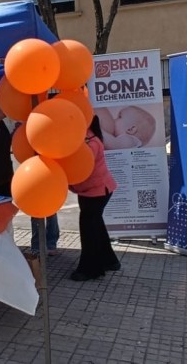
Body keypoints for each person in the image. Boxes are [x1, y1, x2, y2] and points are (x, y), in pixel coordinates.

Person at [69, 115, 121, 281]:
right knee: (95, 226)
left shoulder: (90, 142)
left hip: (97, 192)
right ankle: (110, 261)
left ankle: (90, 270)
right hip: (93, 191)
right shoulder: (86, 138)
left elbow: (82, 167)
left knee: (89, 229)